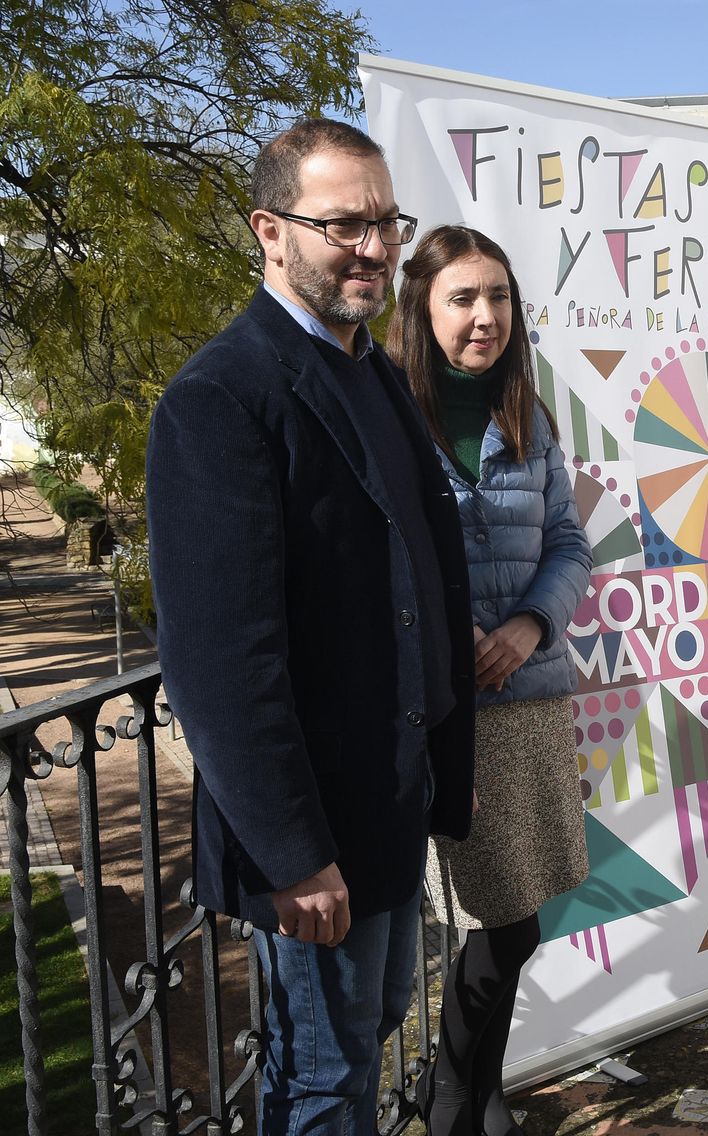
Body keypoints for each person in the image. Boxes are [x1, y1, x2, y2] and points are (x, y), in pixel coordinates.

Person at [145, 121, 475, 1134]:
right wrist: (290, 853)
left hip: (387, 802)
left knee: (369, 1028)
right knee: (327, 1083)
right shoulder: (220, 397)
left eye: (384, 220)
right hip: (313, 832)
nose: (373, 247)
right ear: (270, 231)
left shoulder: (371, 370)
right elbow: (218, 659)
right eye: (343, 224)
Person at [387, 226, 593, 1136]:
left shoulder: (527, 414)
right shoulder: (389, 411)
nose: (484, 316)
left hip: (528, 698)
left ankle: (475, 1089)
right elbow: (377, 551)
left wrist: (528, 622)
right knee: (491, 921)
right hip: (438, 705)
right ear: (423, 310)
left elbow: (570, 543)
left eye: (499, 297)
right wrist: (444, 631)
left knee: (517, 919)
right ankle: (454, 1098)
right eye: (463, 298)